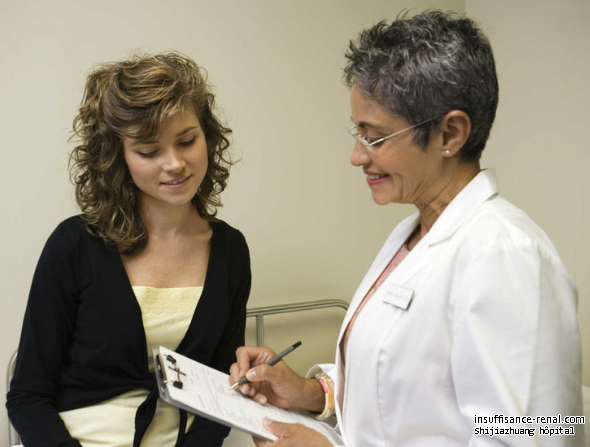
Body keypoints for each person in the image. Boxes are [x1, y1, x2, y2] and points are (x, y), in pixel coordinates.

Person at [229, 11, 583, 447]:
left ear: (450, 133)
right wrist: (309, 394)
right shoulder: (413, 235)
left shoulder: (506, 256)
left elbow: (533, 438)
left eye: (374, 137)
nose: (357, 156)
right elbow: (410, 391)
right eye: (357, 132)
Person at [6, 52, 251, 447]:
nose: (174, 163)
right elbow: (27, 397)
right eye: (149, 151)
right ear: (118, 157)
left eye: (187, 140)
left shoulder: (230, 250)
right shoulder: (74, 245)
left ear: (207, 135)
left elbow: (219, 393)